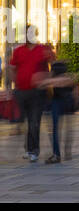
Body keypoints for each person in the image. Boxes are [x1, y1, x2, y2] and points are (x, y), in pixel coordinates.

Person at [9, 26, 52, 163]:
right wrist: (14, 84)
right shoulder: (18, 51)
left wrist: (46, 79)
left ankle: (34, 151)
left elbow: (53, 67)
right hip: (21, 92)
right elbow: (12, 68)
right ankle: (29, 149)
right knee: (25, 122)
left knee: (34, 122)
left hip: (37, 92)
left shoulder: (42, 50)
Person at [39, 59, 78, 164]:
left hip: (57, 103)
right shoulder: (71, 78)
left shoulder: (52, 80)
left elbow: (42, 85)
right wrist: (75, 103)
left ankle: (57, 154)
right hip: (68, 103)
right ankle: (67, 150)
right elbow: (75, 91)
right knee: (68, 129)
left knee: (55, 129)